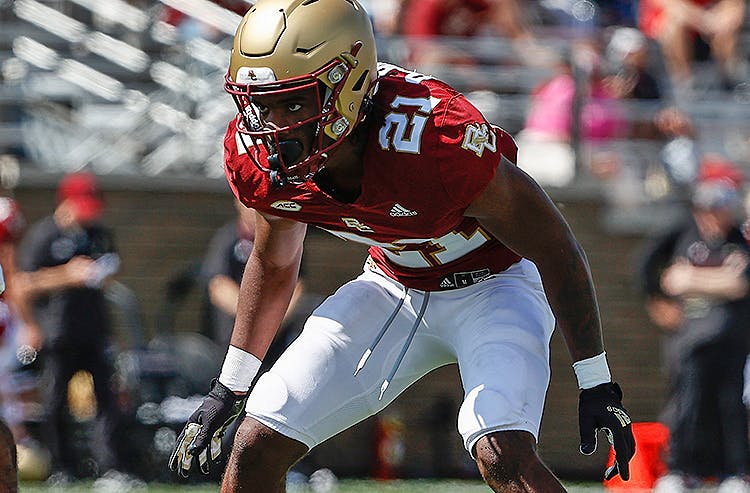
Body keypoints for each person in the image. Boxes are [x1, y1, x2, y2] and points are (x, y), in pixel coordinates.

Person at [169, 1, 636, 492]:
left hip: (494, 287)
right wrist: (230, 386)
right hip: (393, 283)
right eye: (261, 104)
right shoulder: (261, 159)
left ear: (346, 85)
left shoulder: (432, 136)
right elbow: (274, 260)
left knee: (502, 453)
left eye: (293, 103)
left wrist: (596, 379)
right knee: (254, 444)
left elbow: (555, 245)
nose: (271, 126)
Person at [638, 168, 750, 492]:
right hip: (688, 339)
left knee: (732, 406)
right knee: (686, 404)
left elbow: (739, 283)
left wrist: (692, 279)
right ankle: (681, 470)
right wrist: (657, 300)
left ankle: (736, 472)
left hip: (731, 339)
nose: (715, 216)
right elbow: (654, 271)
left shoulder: (738, 239)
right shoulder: (683, 233)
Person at [17, 172, 125, 483]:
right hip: (58, 333)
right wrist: (67, 275)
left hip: (95, 331)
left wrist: (103, 275)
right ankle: (62, 468)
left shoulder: (98, 233)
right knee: (54, 403)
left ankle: (110, 468)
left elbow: (112, 267)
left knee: (107, 401)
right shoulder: (44, 236)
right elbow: (24, 284)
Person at [638, 0, 747, 96]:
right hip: (664, 35)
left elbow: (735, 6)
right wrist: (704, 20)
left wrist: (719, 20)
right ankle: (684, 83)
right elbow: (673, 6)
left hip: (706, 28)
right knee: (674, 24)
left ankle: (728, 77)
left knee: (727, 22)